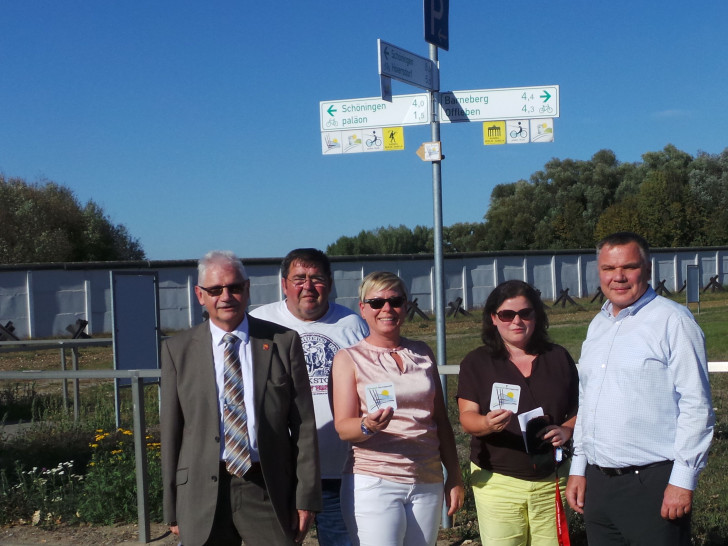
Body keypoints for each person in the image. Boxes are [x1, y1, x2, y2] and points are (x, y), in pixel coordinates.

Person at [161, 250, 321, 546]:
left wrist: (306, 497)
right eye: (215, 290)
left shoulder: (282, 342)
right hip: (200, 490)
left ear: (247, 290)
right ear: (200, 295)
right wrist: (172, 506)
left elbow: (304, 428)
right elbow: (171, 432)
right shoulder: (177, 350)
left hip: (266, 488)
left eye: (234, 287)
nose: (226, 296)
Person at [565, 232, 715, 545]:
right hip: (598, 483)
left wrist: (682, 481)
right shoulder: (598, 325)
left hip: (653, 484)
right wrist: (578, 467)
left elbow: (696, 405)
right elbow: (587, 399)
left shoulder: (673, 321)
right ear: (599, 271)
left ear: (647, 269)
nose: (617, 277)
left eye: (628, 267)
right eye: (608, 268)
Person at [331, 271, 464, 546]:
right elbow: (344, 426)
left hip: (427, 479)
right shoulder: (348, 358)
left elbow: (440, 420)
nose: (387, 309)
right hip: (374, 480)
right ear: (363, 309)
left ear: (406, 306)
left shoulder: (423, 352)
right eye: (377, 302)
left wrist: (454, 474)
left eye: (395, 300)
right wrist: (368, 424)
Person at [251, 248, 368, 546]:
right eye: (299, 278)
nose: (307, 286)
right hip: (278, 472)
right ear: (284, 283)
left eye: (316, 279)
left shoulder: (353, 325)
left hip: (339, 471)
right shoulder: (258, 324)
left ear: (329, 282)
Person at [456, 279, 579, 545]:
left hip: (552, 480)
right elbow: (467, 418)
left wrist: (567, 429)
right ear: (493, 318)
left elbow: (580, 410)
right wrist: (487, 424)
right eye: (507, 314)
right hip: (498, 482)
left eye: (525, 313)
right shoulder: (477, 362)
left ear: (537, 316)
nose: (517, 321)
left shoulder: (558, 357)